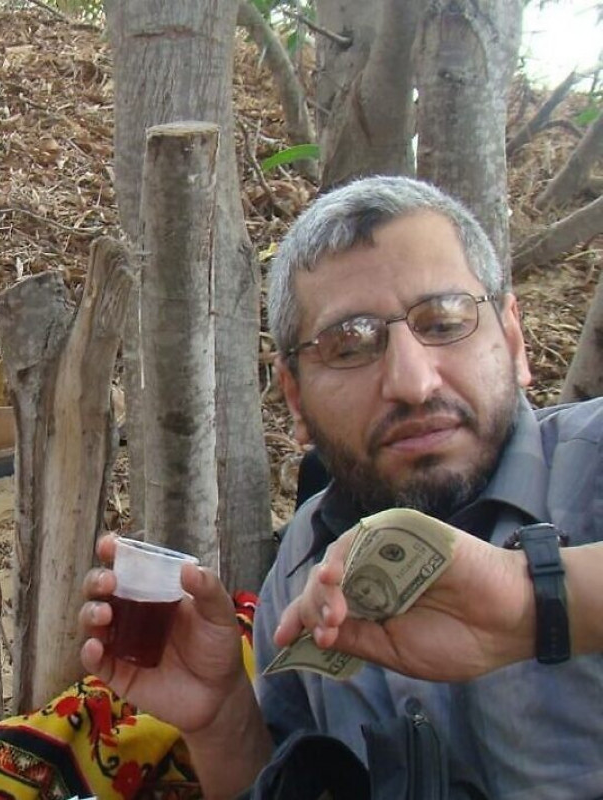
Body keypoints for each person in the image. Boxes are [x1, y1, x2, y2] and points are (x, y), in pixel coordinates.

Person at [80, 175, 603, 799]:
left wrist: (534, 602)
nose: (413, 382)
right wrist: (220, 719)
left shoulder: (591, 463)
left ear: (513, 340)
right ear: (296, 397)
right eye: (350, 344)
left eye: (444, 321)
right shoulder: (303, 568)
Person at [275, 519, 603, 682]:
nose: (416, 387)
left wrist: (529, 596)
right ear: (294, 398)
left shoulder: (591, 453)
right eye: (350, 379)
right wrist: (233, 723)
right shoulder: (299, 551)